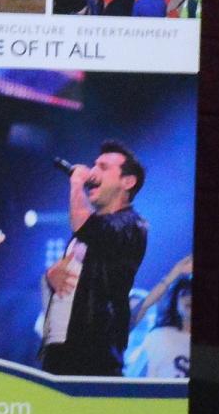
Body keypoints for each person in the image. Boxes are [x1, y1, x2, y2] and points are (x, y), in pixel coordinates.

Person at [39, 142, 151, 380]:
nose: (92, 171)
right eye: (93, 165)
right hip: (60, 348)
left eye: (103, 167)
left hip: (94, 351)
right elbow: (75, 271)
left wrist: (77, 182)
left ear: (127, 182)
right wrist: (51, 276)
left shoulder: (132, 225)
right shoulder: (91, 228)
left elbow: (86, 225)